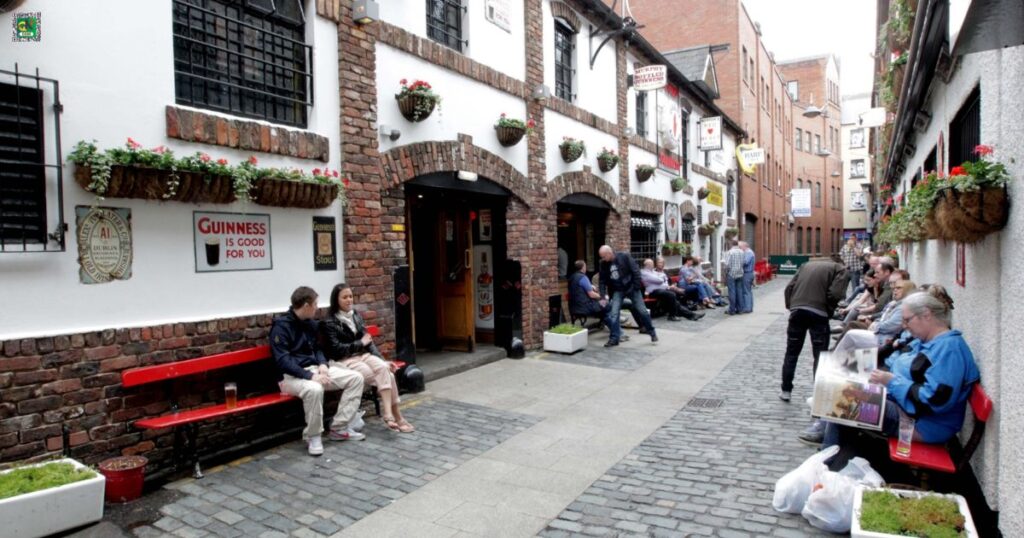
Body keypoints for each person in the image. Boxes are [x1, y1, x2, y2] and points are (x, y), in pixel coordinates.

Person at [820, 293, 980, 469]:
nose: (904, 326)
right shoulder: (928, 341)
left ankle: (825, 465)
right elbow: (898, 362)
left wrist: (891, 382)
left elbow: (934, 400)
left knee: (839, 400)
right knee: (835, 369)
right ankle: (831, 457)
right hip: (905, 408)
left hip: (920, 424)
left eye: (907, 320)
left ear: (926, 315)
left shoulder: (949, 350)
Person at [271, 286, 365, 456]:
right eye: (315, 304)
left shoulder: (310, 325)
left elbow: (317, 349)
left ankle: (339, 427)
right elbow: (283, 361)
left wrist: (322, 364)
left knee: (356, 378)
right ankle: (313, 436)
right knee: (315, 389)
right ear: (306, 305)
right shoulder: (281, 327)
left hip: (315, 370)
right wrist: (311, 376)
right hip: (290, 377)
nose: (317, 308)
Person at [320, 284, 414, 433]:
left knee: (385, 368)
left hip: (363, 355)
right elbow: (337, 349)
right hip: (345, 360)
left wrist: (383, 361)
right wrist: (360, 343)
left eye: (350, 296)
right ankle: (396, 416)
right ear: (336, 300)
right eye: (344, 297)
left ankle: (390, 414)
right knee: (388, 376)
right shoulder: (329, 322)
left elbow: (368, 342)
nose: (349, 300)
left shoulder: (355, 315)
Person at [780, 257, 849, 402]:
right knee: (820, 355)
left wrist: (791, 306)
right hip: (819, 314)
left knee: (792, 352)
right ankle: (819, 394)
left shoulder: (806, 265)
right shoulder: (840, 269)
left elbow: (789, 288)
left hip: (797, 311)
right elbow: (836, 294)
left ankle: (786, 390)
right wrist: (829, 310)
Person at [598, 245, 657, 347]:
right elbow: (602, 281)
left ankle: (651, 331)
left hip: (631, 288)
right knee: (614, 314)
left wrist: (636, 287)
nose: (603, 259)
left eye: (604, 256)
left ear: (609, 253)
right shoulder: (603, 264)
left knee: (642, 311)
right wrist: (603, 297)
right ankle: (614, 338)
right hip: (617, 290)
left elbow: (636, 271)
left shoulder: (624, 257)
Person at [640, 259, 704, 321]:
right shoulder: (644, 273)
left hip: (661, 290)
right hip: (652, 292)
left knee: (675, 301)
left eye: (652, 263)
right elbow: (659, 280)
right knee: (671, 294)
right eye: (651, 264)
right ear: (647, 265)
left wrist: (661, 277)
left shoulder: (652, 272)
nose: (653, 265)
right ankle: (673, 315)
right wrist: (661, 278)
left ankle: (691, 315)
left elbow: (663, 276)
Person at [567, 260, 612, 328]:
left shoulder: (572, 277)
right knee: (606, 304)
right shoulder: (583, 277)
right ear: (583, 268)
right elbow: (591, 294)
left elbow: (578, 288)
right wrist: (602, 297)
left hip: (573, 307)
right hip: (586, 306)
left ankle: (603, 321)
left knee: (603, 307)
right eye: (585, 266)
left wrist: (590, 286)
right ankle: (612, 325)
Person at [724, 240, 746, 315]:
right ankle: (740, 309)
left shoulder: (730, 252)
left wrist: (726, 272)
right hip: (740, 273)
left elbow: (727, 264)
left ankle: (732, 310)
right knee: (739, 292)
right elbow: (743, 262)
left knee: (732, 292)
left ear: (731, 244)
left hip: (732, 274)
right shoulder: (742, 252)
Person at [740, 241, 756, 314]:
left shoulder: (748, 253)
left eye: (740, 247)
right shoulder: (749, 252)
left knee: (746, 291)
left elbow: (745, 262)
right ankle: (749, 307)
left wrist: (738, 261)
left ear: (744, 246)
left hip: (747, 273)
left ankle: (747, 308)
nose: (740, 249)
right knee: (748, 291)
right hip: (748, 273)